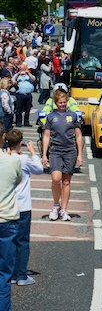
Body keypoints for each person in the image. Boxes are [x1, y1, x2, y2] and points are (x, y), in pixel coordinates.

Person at [7, 129, 43, 286]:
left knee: (10, 241)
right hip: (23, 206)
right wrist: (34, 153)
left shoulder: (5, 159)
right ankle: (21, 275)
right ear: (20, 143)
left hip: (7, 205)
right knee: (22, 241)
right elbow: (40, 169)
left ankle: (11, 272)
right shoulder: (24, 159)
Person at [42, 89, 83, 222]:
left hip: (70, 151)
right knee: (55, 178)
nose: (62, 105)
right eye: (60, 103)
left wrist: (80, 154)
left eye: (64, 102)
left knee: (66, 181)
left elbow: (78, 135)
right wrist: (44, 154)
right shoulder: (50, 117)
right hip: (55, 151)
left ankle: (64, 210)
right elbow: (46, 136)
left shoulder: (73, 116)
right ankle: (55, 205)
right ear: (56, 103)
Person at [0, 125, 22, 310]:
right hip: (6, 220)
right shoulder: (13, 161)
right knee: (4, 275)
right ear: (3, 138)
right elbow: (17, 180)